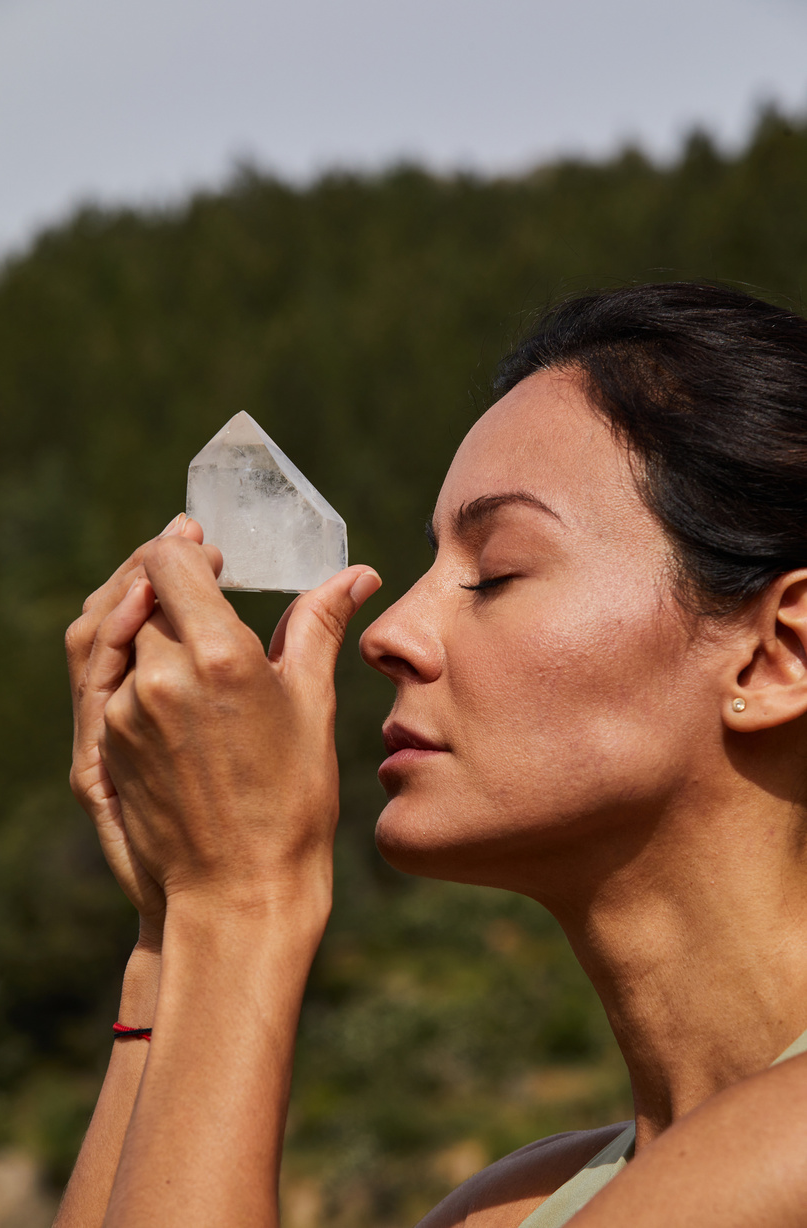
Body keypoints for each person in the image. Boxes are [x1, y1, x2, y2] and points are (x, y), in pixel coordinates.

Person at [57, 282, 807, 1228]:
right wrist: (169, 931)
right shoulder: (499, 1209)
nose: (392, 631)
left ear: (780, 653)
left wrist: (242, 895)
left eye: (494, 572)